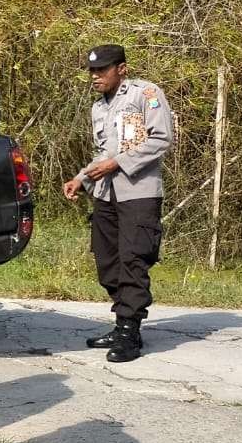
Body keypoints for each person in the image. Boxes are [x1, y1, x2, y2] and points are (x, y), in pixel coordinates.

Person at [62, 45, 172, 363]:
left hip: (138, 192)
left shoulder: (145, 94)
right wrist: (82, 179)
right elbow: (103, 153)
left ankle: (129, 331)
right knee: (107, 261)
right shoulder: (99, 107)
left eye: (102, 70)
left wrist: (117, 164)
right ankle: (122, 322)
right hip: (105, 193)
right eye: (92, 71)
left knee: (133, 260)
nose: (95, 76)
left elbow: (160, 139)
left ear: (121, 69)